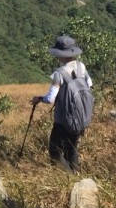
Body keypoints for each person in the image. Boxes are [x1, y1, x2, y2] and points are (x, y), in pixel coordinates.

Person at [31, 34, 93, 173]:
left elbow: (50, 99)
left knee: (55, 152)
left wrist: (39, 99)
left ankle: (67, 177)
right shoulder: (81, 67)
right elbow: (89, 85)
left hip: (62, 120)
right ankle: (75, 176)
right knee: (72, 149)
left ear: (59, 54)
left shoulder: (59, 73)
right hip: (80, 117)